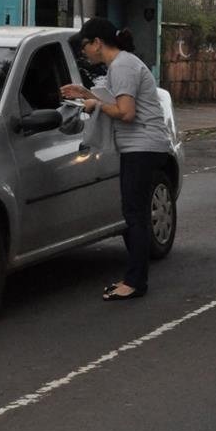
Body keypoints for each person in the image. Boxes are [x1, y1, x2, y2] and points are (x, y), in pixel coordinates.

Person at [60, 17, 171, 302]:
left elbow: (126, 112)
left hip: (141, 146)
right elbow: (117, 103)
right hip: (139, 146)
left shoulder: (121, 65)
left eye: (85, 45)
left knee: (134, 215)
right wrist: (86, 94)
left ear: (97, 43)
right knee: (135, 213)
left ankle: (135, 282)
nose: (84, 51)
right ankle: (134, 278)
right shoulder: (122, 64)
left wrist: (95, 104)